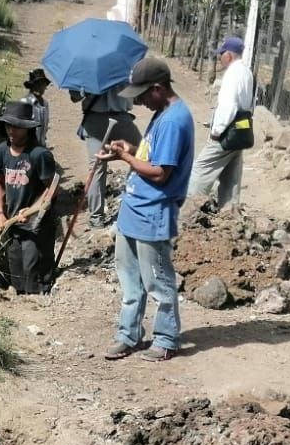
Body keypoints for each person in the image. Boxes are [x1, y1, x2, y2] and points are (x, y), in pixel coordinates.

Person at [97, 56, 194, 362]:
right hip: (133, 210)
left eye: (141, 95)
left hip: (153, 212)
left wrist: (127, 160)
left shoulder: (175, 120)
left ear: (157, 88)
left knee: (158, 281)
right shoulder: (162, 114)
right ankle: (129, 334)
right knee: (129, 280)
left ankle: (166, 338)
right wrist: (127, 151)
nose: (138, 101)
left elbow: (159, 172)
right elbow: (149, 156)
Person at [0, 99, 62, 295]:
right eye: (9, 126)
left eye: (18, 127)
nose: (12, 131)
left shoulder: (39, 155)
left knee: (34, 273)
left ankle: (39, 306)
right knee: (16, 273)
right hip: (13, 225)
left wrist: (32, 210)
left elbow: (52, 188)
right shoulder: (2, 151)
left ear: (28, 129)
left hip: (37, 226)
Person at [189, 35, 255, 212]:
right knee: (230, 176)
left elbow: (229, 105)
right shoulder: (247, 72)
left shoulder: (232, 74)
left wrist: (216, 131)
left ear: (229, 55)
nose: (220, 57)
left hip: (227, 131)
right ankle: (229, 214)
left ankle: (189, 210)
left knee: (200, 170)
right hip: (241, 130)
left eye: (222, 54)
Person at [70, 83, 134, 228]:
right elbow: (135, 97)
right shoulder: (126, 64)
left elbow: (75, 97)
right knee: (144, 157)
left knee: (96, 168)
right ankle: (144, 205)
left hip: (95, 120)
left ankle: (96, 218)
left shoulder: (85, 65)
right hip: (123, 118)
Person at [20, 68, 51, 144]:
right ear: (31, 86)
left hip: (41, 146)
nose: (40, 88)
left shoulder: (45, 104)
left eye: (42, 85)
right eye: (37, 84)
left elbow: (45, 126)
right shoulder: (24, 102)